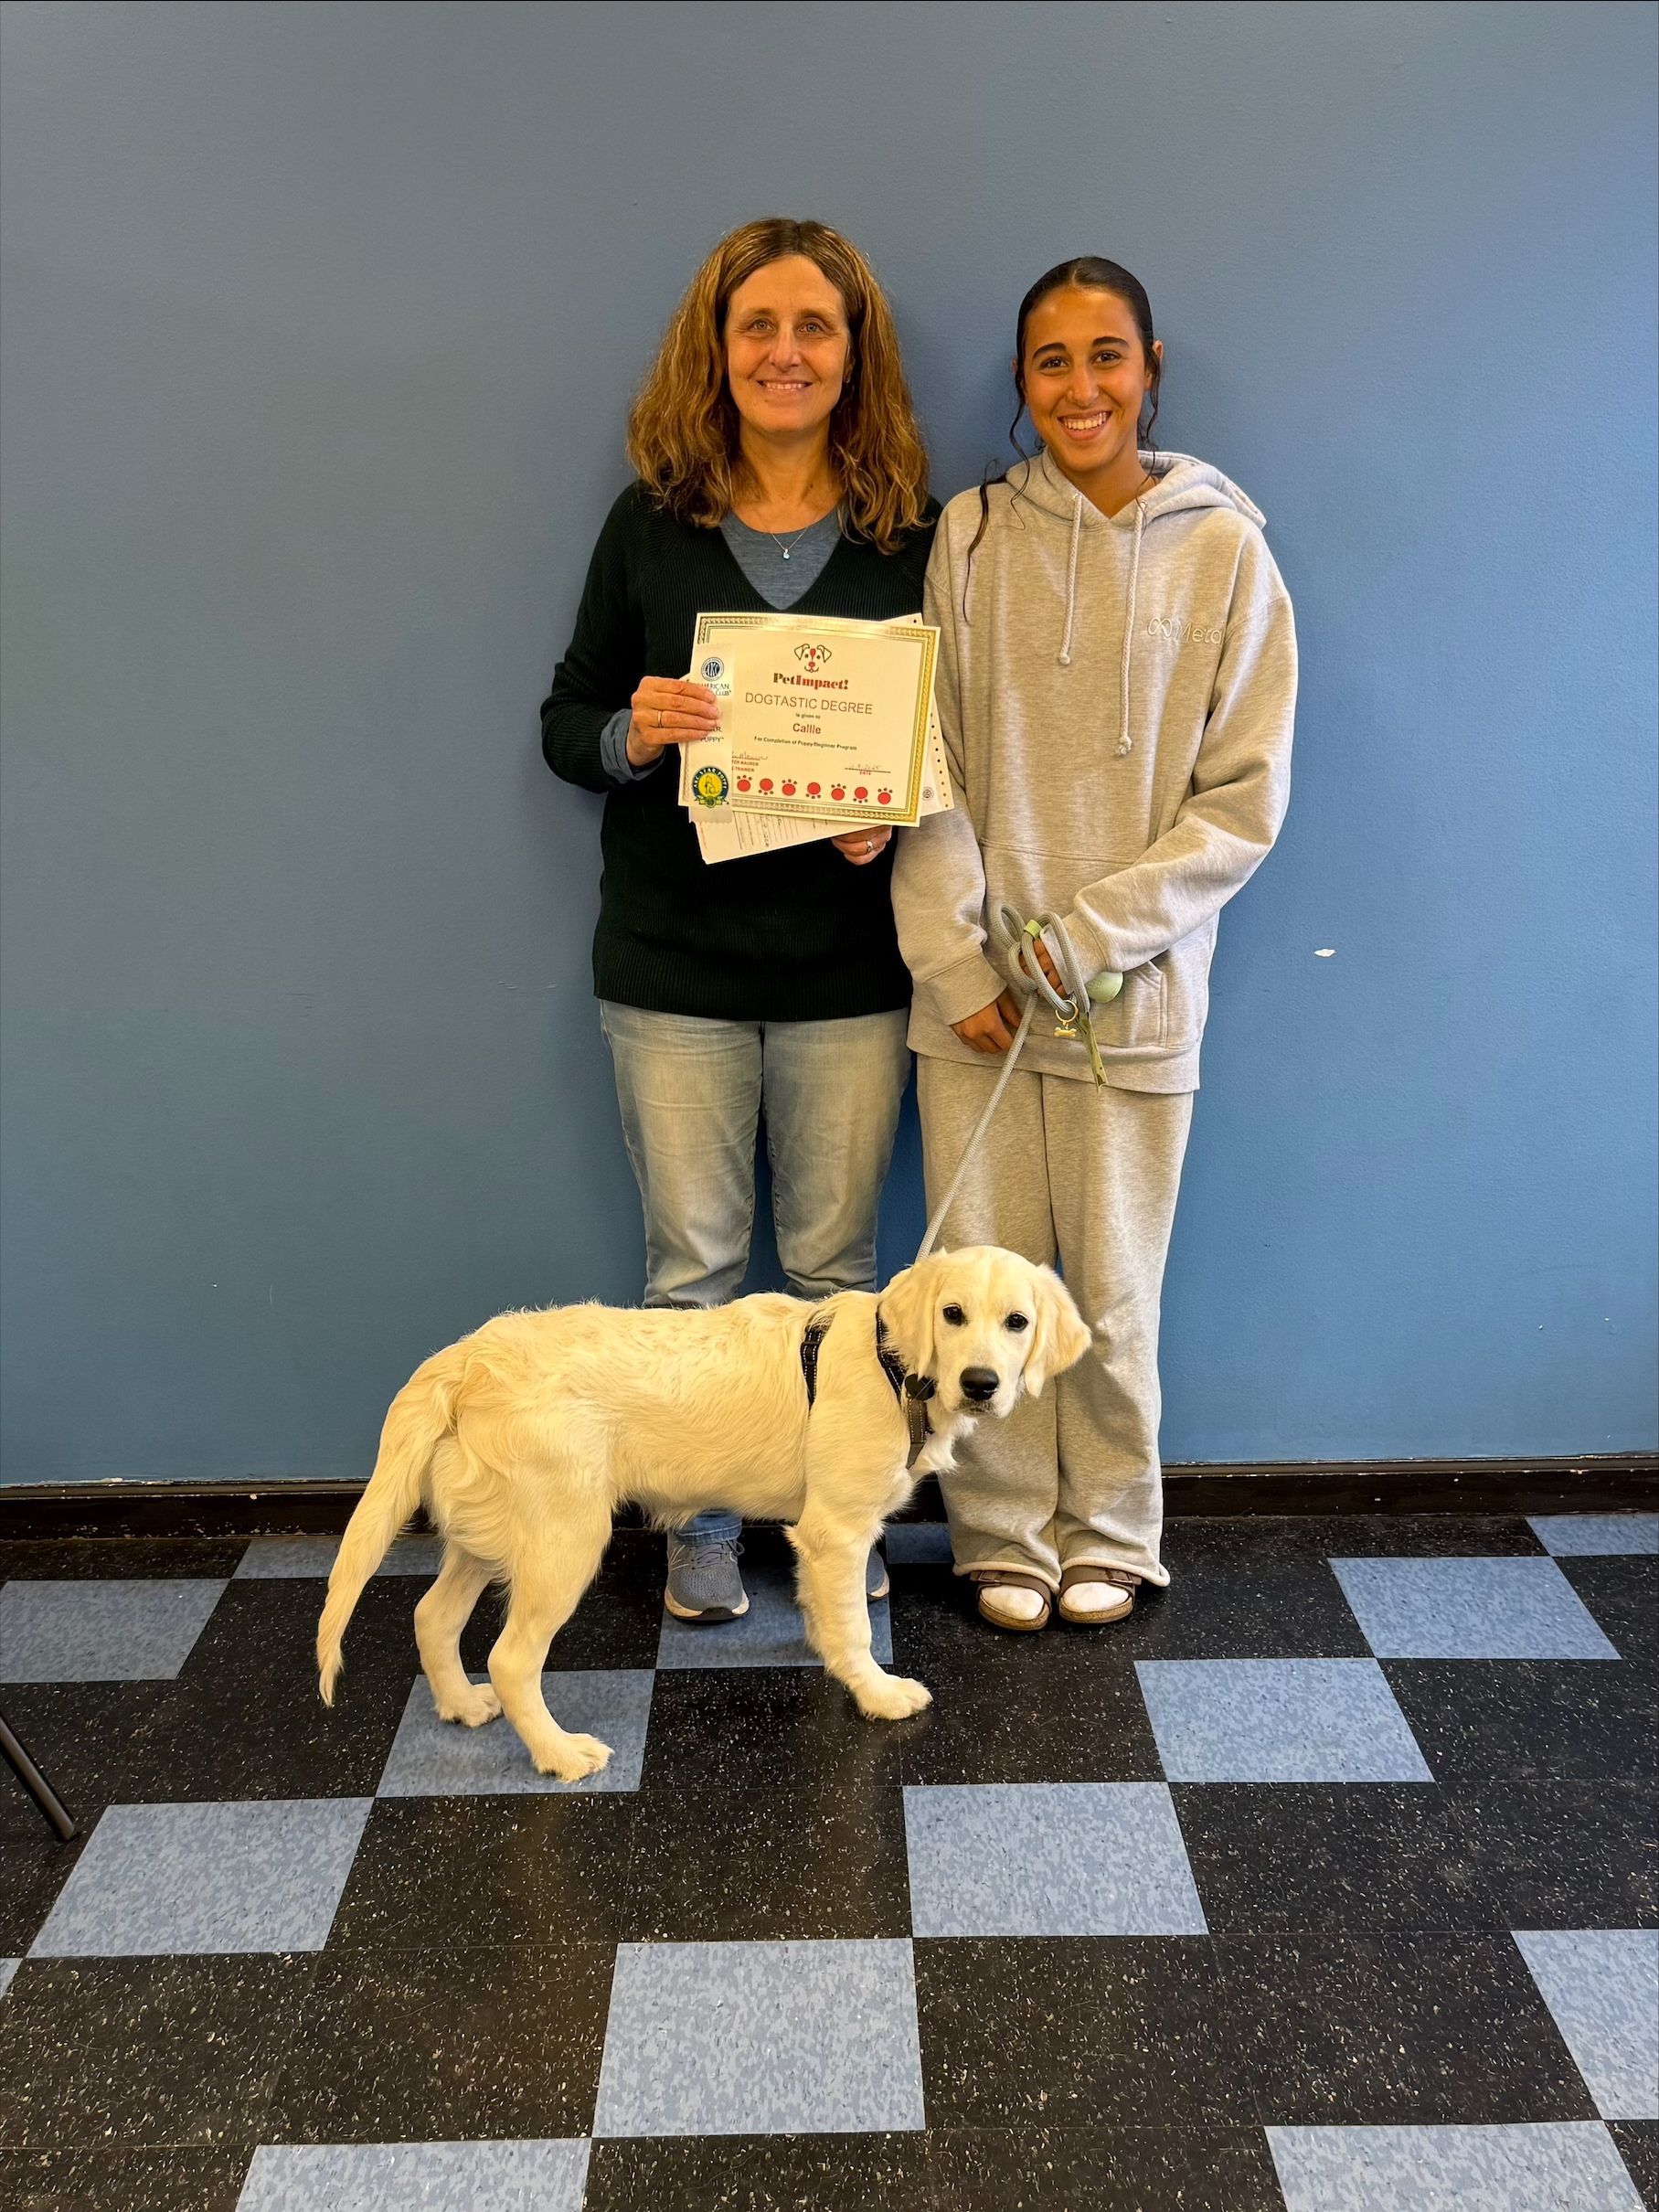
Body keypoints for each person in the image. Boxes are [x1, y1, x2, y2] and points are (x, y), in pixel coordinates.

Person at [891, 257, 1297, 1632]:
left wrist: (1093, 935)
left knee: (1111, 1294)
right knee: (977, 1299)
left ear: (1151, 366)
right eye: (1052, 361)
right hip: (981, 1007)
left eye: (1106, 356)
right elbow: (923, 756)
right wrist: (960, 965)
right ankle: (998, 1527)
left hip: (1138, 996)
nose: (1081, 387)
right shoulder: (972, 537)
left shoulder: (1226, 547)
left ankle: (1114, 1525)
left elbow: (1244, 798)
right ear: (1022, 381)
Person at [541, 218, 936, 1623]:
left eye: (814, 327)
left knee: (840, 1280)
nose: (785, 352)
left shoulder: (912, 531)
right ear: (717, 350)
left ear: (854, 352)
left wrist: (900, 805)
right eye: (757, 326)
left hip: (849, 972)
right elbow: (562, 721)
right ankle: (699, 1524)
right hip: (673, 969)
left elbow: (947, 743)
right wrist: (632, 734)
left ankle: (837, 1521)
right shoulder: (652, 521)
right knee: (691, 1275)